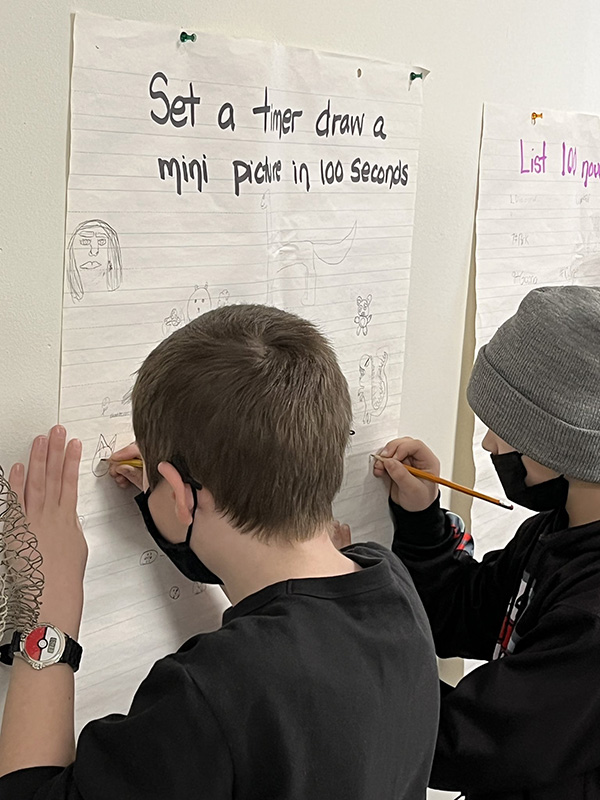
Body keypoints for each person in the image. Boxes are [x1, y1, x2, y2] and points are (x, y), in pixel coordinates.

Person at [0, 304, 439, 800]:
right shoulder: (392, 581)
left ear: (181, 493)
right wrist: (181, 491)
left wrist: (48, 607)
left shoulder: (207, 695)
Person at [372, 285, 600, 800]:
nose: (489, 444)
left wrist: (332, 638)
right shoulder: (555, 531)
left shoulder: (593, 615)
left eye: (507, 427)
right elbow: (459, 613)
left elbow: (471, 743)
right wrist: (422, 517)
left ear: (568, 437)